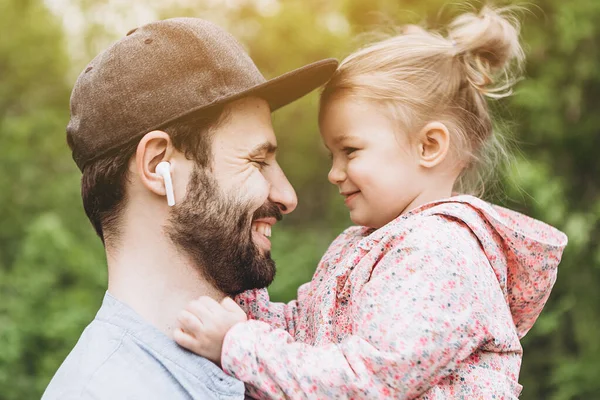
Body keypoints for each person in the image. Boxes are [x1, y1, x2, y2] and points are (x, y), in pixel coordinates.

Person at [175, 6, 568, 399]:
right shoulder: (369, 243)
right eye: (332, 155)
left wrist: (238, 343)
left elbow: (366, 382)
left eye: (350, 150)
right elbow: (306, 334)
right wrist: (237, 290)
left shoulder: (438, 254)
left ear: (428, 146)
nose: (335, 173)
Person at [42, 17, 337, 399]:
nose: (286, 195)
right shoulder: (103, 391)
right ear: (157, 165)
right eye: (256, 160)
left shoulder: (273, 359)